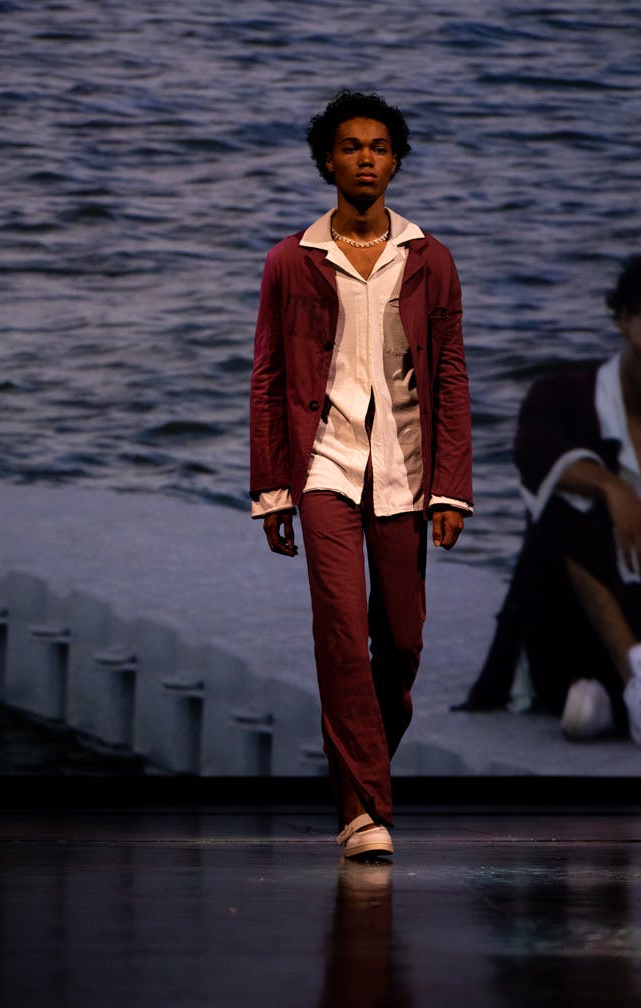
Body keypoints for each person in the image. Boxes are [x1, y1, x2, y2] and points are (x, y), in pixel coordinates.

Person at [250, 90, 473, 859]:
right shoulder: (292, 260)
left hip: (406, 471)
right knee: (342, 634)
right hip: (325, 468)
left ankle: (358, 779)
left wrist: (452, 488)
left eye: (379, 147)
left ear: (397, 161)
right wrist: (272, 490)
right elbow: (268, 379)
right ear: (327, 162)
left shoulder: (429, 259)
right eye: (351, 147)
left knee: (401, 642)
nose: (366, 159)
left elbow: (450, 377)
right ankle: (363, 811)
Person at [456, 247, 641, 747]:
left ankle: (621, 701)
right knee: (566, 496)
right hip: (574, 623)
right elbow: (535, 454)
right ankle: (639, 684)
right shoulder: (563, 396)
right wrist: (614, 489)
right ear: (625, 320)